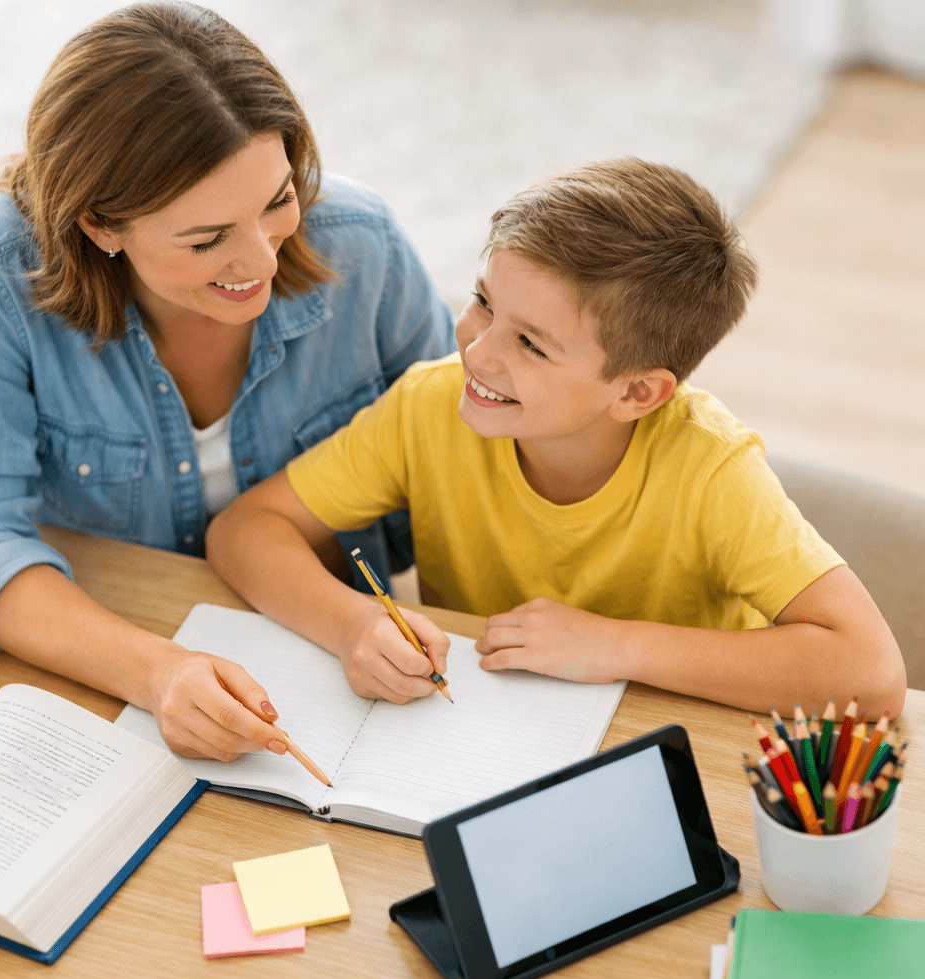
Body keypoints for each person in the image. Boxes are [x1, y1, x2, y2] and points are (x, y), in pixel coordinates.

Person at [0, 3, 454, 761]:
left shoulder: (366, 245)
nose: (261, 261)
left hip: (337, 659)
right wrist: (156, 673)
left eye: (278, 200)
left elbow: (458, 472)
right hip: (110, 651)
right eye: (206, 239)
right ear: (100, 225)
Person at [205, 158, 906, 720]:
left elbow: (870, 675)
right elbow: (245, 529)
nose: (478, 353)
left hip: (681, 737)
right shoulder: (431, 405)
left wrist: (615, 645)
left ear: (637, 392)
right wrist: (352, 623)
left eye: (532, 345)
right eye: (482, 302)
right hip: (494, 726)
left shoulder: (711, 471)